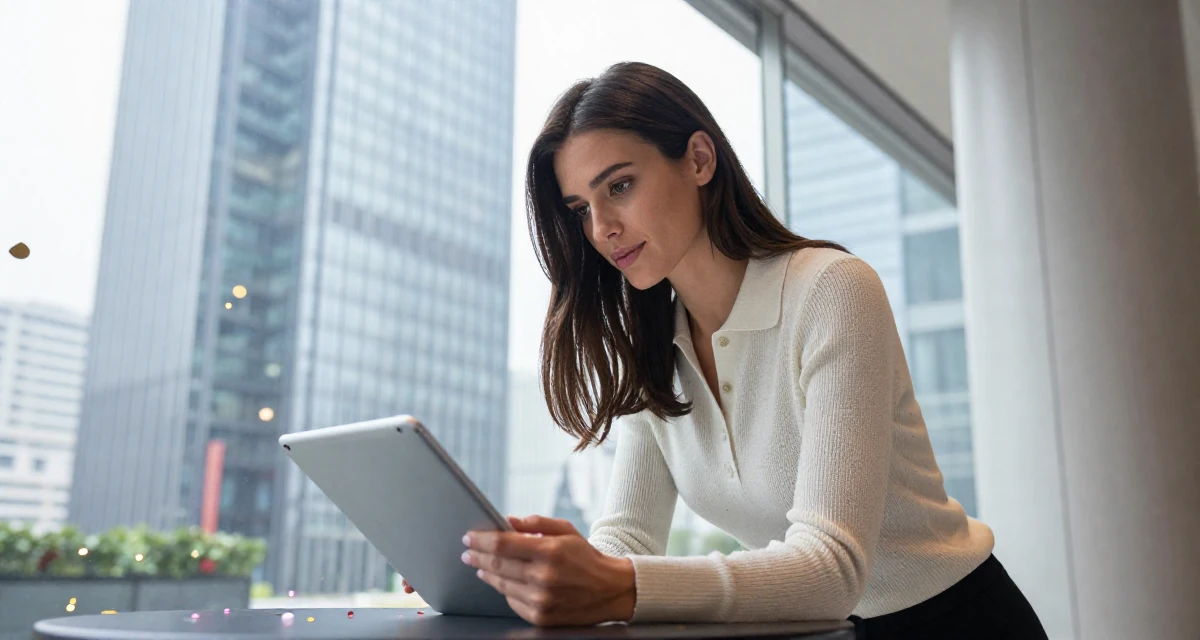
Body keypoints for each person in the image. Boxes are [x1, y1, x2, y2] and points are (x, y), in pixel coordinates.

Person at [406, 61, 1047, 639]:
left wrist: (618, 584)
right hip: (817, 635)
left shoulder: (832, 291)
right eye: (580, 208)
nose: (601, 229)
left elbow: (832, 567)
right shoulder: (650, 344)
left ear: (700, 160)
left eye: (620, 186)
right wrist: (529, 575)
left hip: (957, 624)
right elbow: (629, 539)